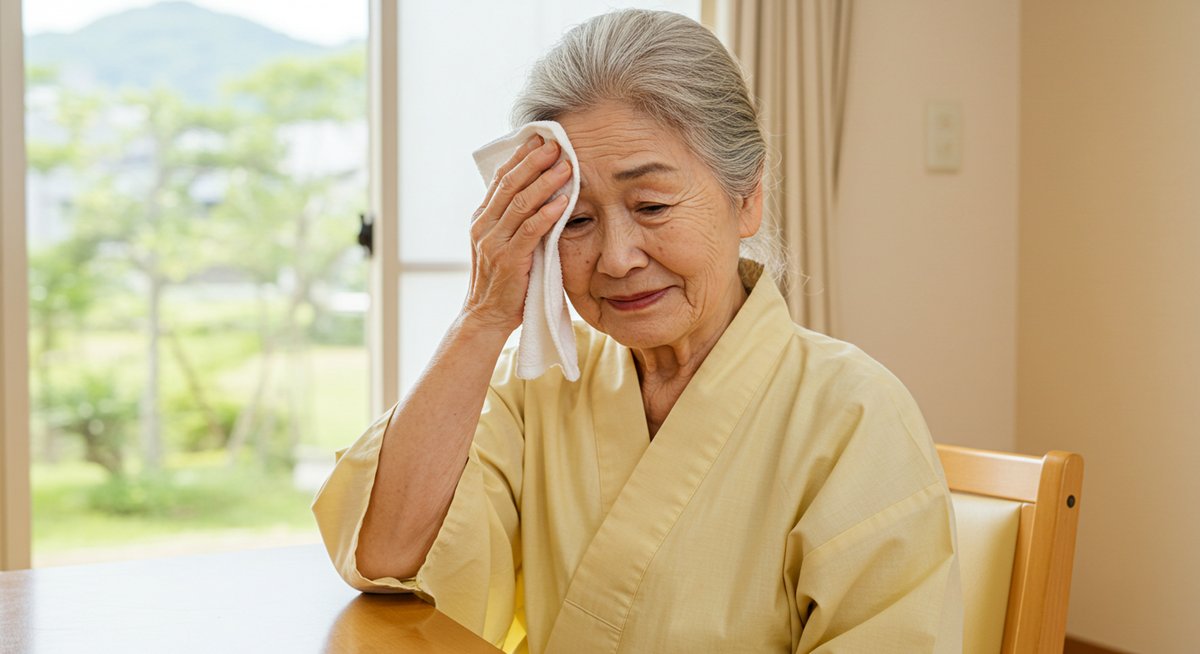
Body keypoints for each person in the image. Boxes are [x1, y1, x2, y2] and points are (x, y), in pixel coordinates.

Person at [313, 9, 962, 653]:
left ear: (748, 197)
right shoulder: (539, 387)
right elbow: (385, 554)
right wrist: (483, 318)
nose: (617, 258)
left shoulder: (853, 416)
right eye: (575, 221)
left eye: (651, 205)